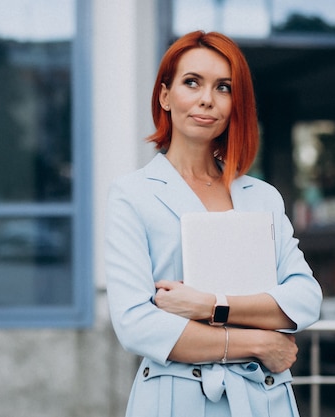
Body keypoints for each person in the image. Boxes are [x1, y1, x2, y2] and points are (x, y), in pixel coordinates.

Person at [105, 30, 322, 417]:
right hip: (176, 398)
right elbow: (136, 324)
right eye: (192, 82)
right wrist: (257, 343)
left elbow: (304, 299)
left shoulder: (262, 196)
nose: (207, 98)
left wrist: (210, 305)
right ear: (165, 95)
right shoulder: (132, 195)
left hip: (263, 397)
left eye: (223, 87)